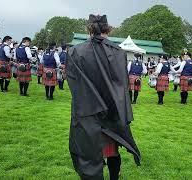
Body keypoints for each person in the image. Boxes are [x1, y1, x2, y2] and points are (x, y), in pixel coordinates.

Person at [67, 14, 140, 180]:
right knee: (112, 149)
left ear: (89, 29)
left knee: (89, 151)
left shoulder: (75, 51)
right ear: (107, 29)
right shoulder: (119, 52)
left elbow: (75, 85)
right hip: (112, 111)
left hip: (88, 111)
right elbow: (122, 86)